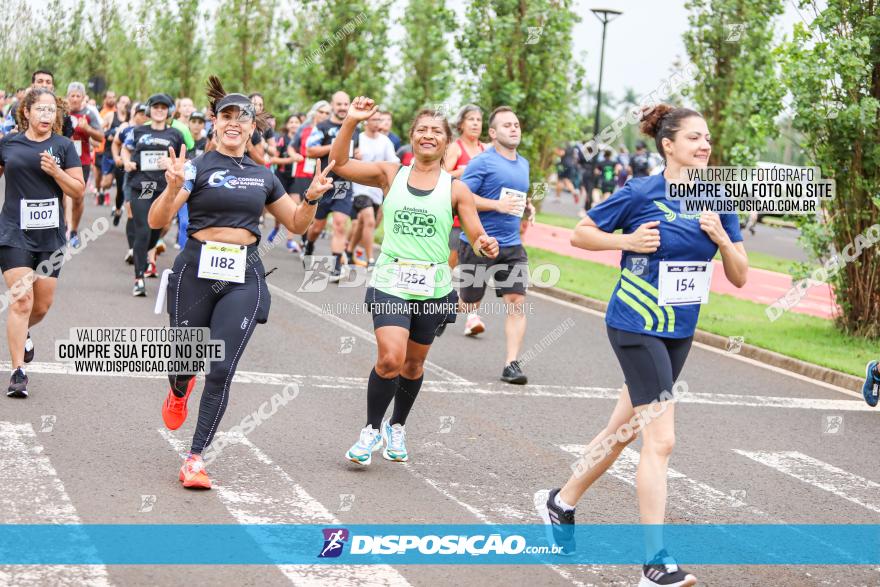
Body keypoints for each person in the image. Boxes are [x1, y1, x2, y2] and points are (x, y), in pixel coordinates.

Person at [535, 104, 748, 587]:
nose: (705, 145)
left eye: (708, 138)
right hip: (635, 323)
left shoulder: (720, 199)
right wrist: (626, 241)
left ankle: (561, 501)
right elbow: (581, 232)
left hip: (679, 329)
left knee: (622, 432)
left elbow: (740, 276)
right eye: (694, 138)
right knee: (662, 439)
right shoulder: (641, 191)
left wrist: (723, 239)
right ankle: (655, 563)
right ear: (668, 145)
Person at [149, 77, 336, 488]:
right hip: (195, 270)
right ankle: (179, 389)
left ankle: (195, 458)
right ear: (214, 122)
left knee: (220, 368)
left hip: (242, 276)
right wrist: (172, 188)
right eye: (226, 116)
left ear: (253, 126)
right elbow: (157, 222)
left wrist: (312, 198)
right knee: (185, 362)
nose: (234, 122)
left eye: (242, 117)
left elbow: (297, 225)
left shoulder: (263, 176)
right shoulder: (195, 168)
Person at [330, 97, 498, 465]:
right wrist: (351, 122)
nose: (428, 135)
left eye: (436, 131)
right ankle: (372, 430)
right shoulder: (392, 174)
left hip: (434, 285)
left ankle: (397, 426)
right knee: (391, 358)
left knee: (413, 366)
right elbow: (340, 164)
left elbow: (476, 235)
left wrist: (486, 244)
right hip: (392, 277)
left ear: (446, 142)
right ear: (412, 136)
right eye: (422, 129)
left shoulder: (457, 190)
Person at [0, 88, 84, 398]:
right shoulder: (8, 144)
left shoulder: (63, 146)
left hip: (50, 236)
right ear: (26, 112)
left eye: (52, 111)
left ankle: (25, 333)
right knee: (21, 301)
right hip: (12, 232)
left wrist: (56, 171)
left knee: (41, 305)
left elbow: (77, 190)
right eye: (41, 110)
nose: (47, 116)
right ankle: (18, 371)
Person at [455, 107, 534, 384]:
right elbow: (461, 196)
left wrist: (527, 207)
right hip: (479, 243)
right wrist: (496, 205)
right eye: (506, 125)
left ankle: (511, 364)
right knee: (469, 303)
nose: (514, 129)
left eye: (516, 124)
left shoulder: (523, 163)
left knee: (516, 302)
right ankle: (438, 311)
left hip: (511, 246)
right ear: (492, 133)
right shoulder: (482, 162)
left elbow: (515, 196)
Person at [122, 93, 185, 295]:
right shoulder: (138, 131)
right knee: (143, 230)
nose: (159, 110)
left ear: (168, 111)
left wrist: (172, 164)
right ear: (149, 110)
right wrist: (127, 161)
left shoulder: (175, 134)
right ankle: (139, 277)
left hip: (165, 188)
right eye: (156, 107)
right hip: (144, 185)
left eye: (163, 107)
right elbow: (125, 148)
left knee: (156, 232)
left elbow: (184, 161)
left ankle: (143, 254)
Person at [304, 91, 359, 282]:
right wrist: (337, 146)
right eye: (339, 104)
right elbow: (310, 150)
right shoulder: (322, 126)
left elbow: (358, 152)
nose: (343, 107)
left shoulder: (355, 127)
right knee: (317, 226)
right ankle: (309, 244)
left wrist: (357, 155)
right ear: (332, 105)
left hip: (344, 182)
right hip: (323, 182)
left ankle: (335, 268)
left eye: (346, 104)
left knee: (339, 224)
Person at [346, 107, 398, 268]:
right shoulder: (358, 138)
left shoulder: (385, 141)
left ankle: (349, 251)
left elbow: (393, 162)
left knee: (364, 224)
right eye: (375, 119)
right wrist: (354, 157)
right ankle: (370, 259)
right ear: (366, 121)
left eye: (380, 120)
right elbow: (344, 159)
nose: (379, 123)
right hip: (359, 188)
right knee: (368, 219)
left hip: (377, 190)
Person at [444, 104, 488, 270]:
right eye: (471, 119)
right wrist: (461, 171)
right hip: (457, 215)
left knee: (475, 263)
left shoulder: (486, 149)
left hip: (481, 213)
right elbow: (441, 176)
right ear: (461, 124)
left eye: (478, 120)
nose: (475, 123)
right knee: (451, 259)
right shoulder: (455, 148)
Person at [65, 82, 104, 248]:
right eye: (72, 95)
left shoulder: (89, 113)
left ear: (82, 97)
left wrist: (87, 128)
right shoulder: (62, 112)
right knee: (61, 196)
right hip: (62, 159)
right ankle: (64, 228)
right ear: (68, 97)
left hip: (82, 161)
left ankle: (73, 230)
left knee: (78, 198)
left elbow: (101, 137)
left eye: (78, 96)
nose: (74, 99)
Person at [291, 101, 330, 251]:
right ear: (315, 112)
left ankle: (307, 241)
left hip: (320, 174)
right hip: (303, 172)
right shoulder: (304, 129)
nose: (324, 115)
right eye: (321, 112)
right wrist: (294, 155)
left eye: (327, 113)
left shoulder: (330, 131)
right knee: (305, 206)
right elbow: (292, 147)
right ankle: (304, 239)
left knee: (317, 209)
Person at [113, 102, 148, 263]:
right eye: (139, 113)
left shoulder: (154, 132)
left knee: (145, 213)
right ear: (134, 114)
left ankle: (144, 248)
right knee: (131, 210)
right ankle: (132, 249)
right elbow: (116, 144)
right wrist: (118, 158)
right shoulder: (128, 129)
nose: (142, 116)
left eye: (144, 113)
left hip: (149, 177)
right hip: (131, 175)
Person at [267, 113, 305, 248]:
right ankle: (277, 228)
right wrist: (291, 159)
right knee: (279, 211)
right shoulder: (282, 140)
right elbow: (273, 159)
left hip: (296, 178)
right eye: (292, 122)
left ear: (301, 125)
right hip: (281, 176)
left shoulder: (303, 140)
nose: (294, 124)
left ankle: (289, 240)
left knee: (295, 208)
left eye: (297, 122)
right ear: (287, 125)